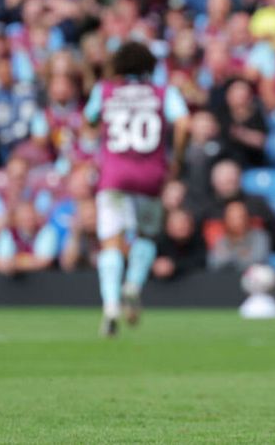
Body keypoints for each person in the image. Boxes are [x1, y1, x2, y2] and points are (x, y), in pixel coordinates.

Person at [83, 41, 189, 337]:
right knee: (145, 235)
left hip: (114, 176)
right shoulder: (163, 92)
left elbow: (89, 119)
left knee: (111, 242)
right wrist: (176, 159)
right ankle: (133, 285)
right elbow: (183, 123)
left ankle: (111, 305)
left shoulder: (104, 90)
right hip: (150, 176)